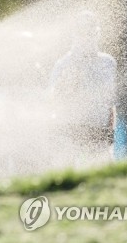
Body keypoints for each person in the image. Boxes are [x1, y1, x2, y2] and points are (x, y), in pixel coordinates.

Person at [49, 10, 117, 151]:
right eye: (82, 32)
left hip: (99, 134)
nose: (86, 37)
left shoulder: (108, 62)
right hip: (71, 136)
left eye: (90, 32)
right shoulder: (63, 64)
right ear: (74, 34)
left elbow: (110, 103)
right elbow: (53, 102)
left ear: (97, 33)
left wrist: (110, 133)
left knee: (102, 171)